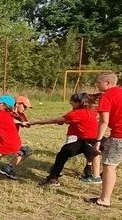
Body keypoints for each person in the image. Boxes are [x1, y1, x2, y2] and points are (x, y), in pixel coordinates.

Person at [27, 92, 101, 187]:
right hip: (85, 141)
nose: (70, 103)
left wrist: (34, 122)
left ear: (79, 102)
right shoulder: (89, 110)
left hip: (89, 142)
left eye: (72, 101)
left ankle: (95, 177)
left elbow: (54, 120)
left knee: (99, 160)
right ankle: (53, 179)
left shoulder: (77, 113)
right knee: (63, 154)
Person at [88, 71, 122, 208]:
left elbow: (104, 121)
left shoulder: (107, 96)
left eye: (99, 82)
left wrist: (98, 140)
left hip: (119, 135)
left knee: (109, 166)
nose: (96, 84)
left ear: (107, 83)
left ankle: (104, 199)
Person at [0, 95, 33, 180]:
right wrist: (19, 122)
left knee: (25, 151)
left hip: (12, 139)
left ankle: (8, 167)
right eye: (24, 106)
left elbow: (27, 125)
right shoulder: (8, 111)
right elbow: (7, 119)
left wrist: (23, 121)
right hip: (4, 138)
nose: (25, 109)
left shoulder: (20, 115)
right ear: (17, 104)